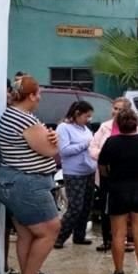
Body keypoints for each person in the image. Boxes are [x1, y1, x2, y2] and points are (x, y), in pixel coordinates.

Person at [0, 75, 62, 274]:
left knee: (26, 234)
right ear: (30, 95)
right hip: (27, 182)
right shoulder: (24, 120)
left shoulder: (15, 116)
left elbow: (43, 140)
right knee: (50, 230)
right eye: (38, 93)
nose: (40, 98)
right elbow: (50, 151)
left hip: (15, 181)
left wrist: (49, 136)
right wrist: (54, 140)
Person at [98, 108, 138, 274]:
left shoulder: (111, 142)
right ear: (136, 123)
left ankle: (118, 272)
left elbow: (102, 167)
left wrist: (113, 175)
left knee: (118, 234)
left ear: (118, 124)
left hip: (117, 190)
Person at [90, 97, 138, 253]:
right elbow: (92, 148)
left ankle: (129, 239)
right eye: (115, 108)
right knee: (107, 208)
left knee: (128, 210)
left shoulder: (135, 128)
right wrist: (107, 155)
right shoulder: (104, 127)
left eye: (120, 109)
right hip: (106, 174)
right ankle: (108, 240)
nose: (116, 112)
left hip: (127, 176)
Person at [54, 101, 97, 248]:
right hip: (74, 173)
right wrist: (85, 144)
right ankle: (59, 236)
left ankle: (80, 235)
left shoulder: (85, 128)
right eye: (87, 116)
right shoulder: (64, 128)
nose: (89, 119)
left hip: (89, 170)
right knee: (75, 207)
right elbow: (64, 151)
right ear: (77, 114)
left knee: (86, 206)